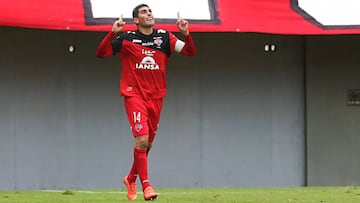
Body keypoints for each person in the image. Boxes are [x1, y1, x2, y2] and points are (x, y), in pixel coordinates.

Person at [95, 3, 196, 201]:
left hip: (157, 97)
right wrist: (112, 32)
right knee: (141, 140)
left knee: (147, 144)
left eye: (150, 11)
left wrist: (186, 33)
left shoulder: (165, 37)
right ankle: (146, 186)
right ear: (136, 20)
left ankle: (131, 178)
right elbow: (101, 53)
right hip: (134, 95)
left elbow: (190, 52)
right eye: (143, 12)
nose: (149, 14)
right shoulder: (126, 39)